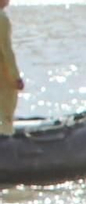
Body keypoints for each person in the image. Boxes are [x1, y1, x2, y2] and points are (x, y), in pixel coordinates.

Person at [0, 0, 21, 136]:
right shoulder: (2, 19)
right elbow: (6, 50)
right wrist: (16, 78)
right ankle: (5, 136)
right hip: (2, 74)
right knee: (5, 108)